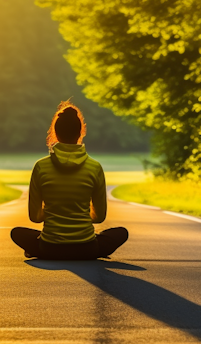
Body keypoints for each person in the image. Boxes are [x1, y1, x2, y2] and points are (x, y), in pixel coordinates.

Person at [11, 101, 129, 260]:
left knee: (17, 233)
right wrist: (78, 214)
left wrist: (56, 211)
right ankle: (94, 251)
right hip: (87, 248)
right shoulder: (95, 167)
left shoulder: (41, 167)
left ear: (55, 133)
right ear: (80, 133)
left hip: (49, 248)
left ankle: (37, 250)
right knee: (121, 233)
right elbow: (99, 217)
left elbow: (35, 217)